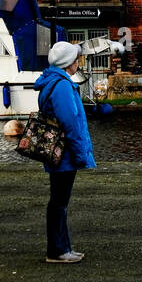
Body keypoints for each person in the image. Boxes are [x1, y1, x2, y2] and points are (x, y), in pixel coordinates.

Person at [35, 41, 96, 263]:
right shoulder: (61, 86)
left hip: (56, 151)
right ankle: (58, 251)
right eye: (76, 59)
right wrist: (81, 155)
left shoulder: (52, 82)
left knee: (58, 202)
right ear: (68, 62)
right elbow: (70, 123)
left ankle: (63, 247)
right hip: (64, 153)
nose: (78, 62)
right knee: (59, 202)